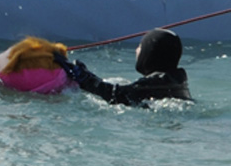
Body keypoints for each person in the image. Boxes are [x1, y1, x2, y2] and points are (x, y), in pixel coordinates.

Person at [55, 29, 192, 107]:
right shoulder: (175, 81)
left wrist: (84, 78)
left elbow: (116, 95)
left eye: (140, 47)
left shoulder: (154, 83)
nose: (136, 51)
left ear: (150, 53)